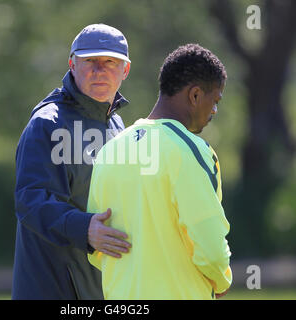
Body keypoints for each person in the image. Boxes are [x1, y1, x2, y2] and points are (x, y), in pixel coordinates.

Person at [87, 44, 232, 299]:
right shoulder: (192, 150)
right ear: (195, 95)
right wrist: (221, 281)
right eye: (215, 100)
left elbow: (98, 249)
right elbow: (210, 248)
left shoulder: (109, 152)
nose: (215, 111)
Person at [12, 24, 132, 300]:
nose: (99, 70)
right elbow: (30, 200)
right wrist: (85, 228)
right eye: (90, 61)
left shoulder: (116, 123)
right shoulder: (47, 123)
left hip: (99, 286)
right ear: (72, 65)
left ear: (125, 70)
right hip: (50, 287)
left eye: (110, 62)